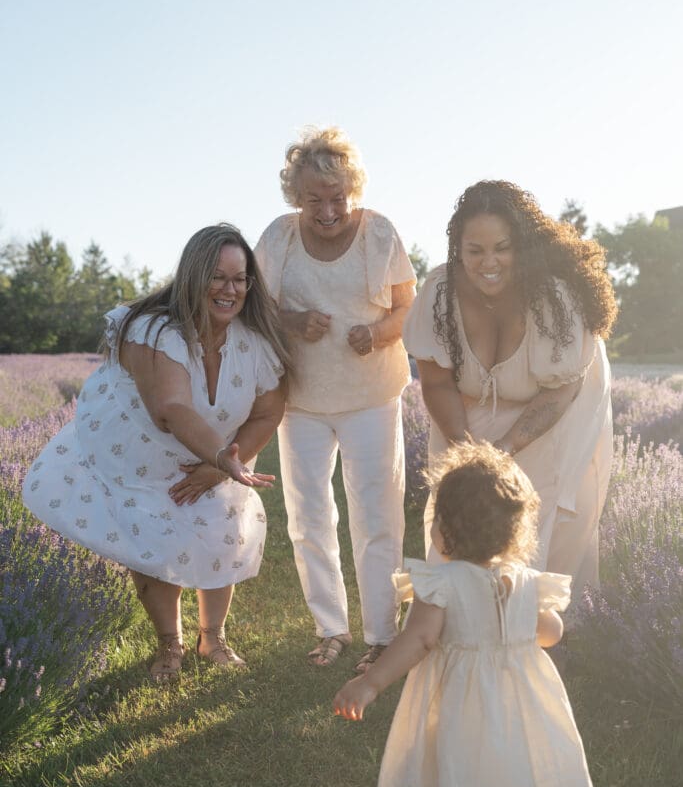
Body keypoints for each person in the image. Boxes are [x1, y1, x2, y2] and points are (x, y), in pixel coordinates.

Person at [334, 441, 605, 787]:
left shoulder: (440, 584)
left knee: (427, 770)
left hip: (455, 705)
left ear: (445, 530)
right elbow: (552, 633)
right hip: (525, 710)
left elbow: (418, 641)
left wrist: (369, 682)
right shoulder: (524, 581)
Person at [23, 223, 290, 680]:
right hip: (137, 455)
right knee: (150, 539)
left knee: (221, 529)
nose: (230, 289)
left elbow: (268, 412)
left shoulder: (254, 344)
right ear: (193, 276)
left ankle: (214, 638)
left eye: (239, 278)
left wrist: (222, 469)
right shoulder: (152, 330)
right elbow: (171, 407)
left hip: (214, 456)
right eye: (218, 277)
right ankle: (171, 643)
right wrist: (224, 459)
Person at [404, 180, 617, 594]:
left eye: (502, 248)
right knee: (461, 507)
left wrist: (504, 448)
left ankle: (538, 632)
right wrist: (469, 452)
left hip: (562, 401)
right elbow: (437, 382)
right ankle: (453, 623)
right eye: (475, 251)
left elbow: (559, 393)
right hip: (469, 401)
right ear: (457, 249)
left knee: (540, 510)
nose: (489, 263)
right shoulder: (439, 294)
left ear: (521, 246)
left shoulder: (555, 300)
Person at [255, 126, 416, 671]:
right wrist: (292, 321)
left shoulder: (380, 234)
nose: (326, 211)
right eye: (313, 199)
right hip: (301, 400)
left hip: (372, 394)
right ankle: (331, 629)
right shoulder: (278, 239)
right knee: (309, 517)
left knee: (376, 513)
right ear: (295, 197)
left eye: (336, 197)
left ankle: (382, 634)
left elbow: (406, 310)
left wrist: (378, 333)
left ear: (354, 190)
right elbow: (253, 309)